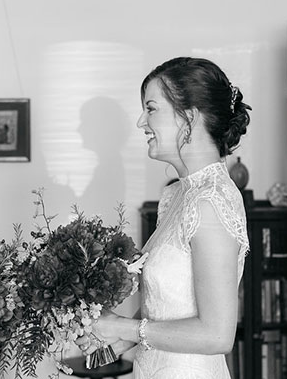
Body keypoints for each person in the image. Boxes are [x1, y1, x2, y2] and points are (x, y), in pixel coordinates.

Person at [76, 57, 251, 378]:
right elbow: (169, 305)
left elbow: (217, 335)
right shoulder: (177, 195)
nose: (141, 122)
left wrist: (122, 327)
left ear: (188, 117)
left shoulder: (211, 201)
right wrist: (116, 341)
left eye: (151, 109)